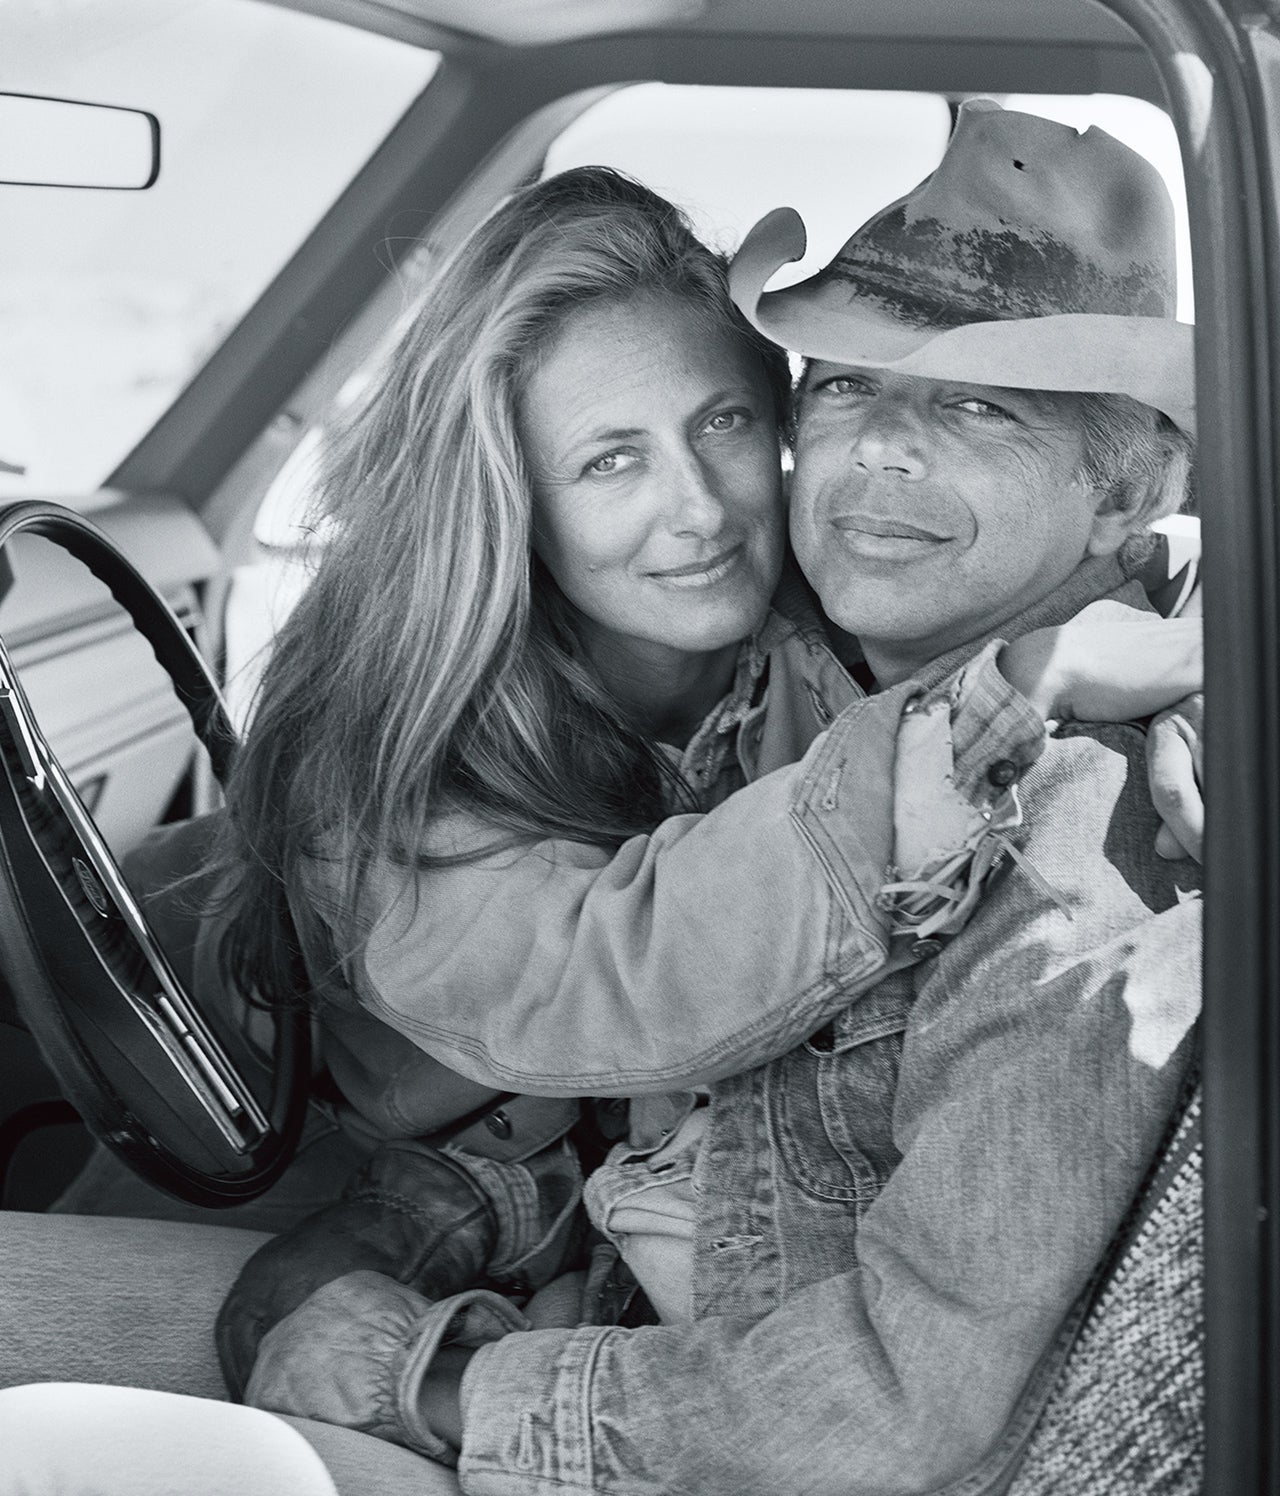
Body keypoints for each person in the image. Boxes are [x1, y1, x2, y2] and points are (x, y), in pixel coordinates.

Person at [0, 107, 1202, 1496]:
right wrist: (396, 1269)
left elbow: (890, 1403)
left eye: (980, 405)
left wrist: (441, 1386)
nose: (872, 459)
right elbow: (631, 1058)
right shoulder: (804, 683)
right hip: (529, 1274)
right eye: (852, 389)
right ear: (511, 499)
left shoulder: (1060, 822)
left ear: (1139, 491)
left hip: (630, 1411)